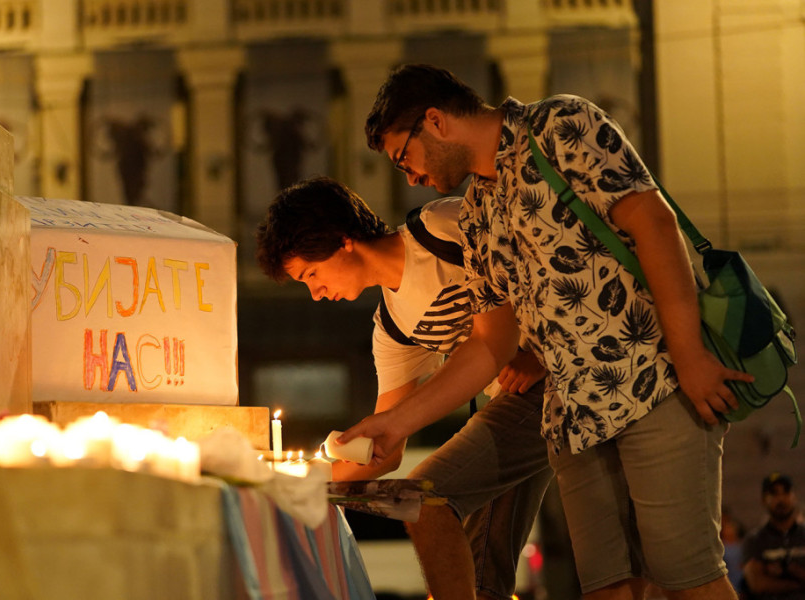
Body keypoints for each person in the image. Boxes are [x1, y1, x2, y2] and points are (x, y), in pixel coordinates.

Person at [339, 63, 755, 599]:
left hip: (652, 380)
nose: (410, 177)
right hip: (572, 416)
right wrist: (394, 424)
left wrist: (690, 354)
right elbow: (490, 344)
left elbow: (653, 223)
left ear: (436, 122)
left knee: (688, 579)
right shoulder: (476, 213)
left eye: (404, 157)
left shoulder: (560, 125)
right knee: (607, 588)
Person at [255, 176, 553, 600]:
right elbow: (386, 449)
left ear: (343, 241)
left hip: (566, 374)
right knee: (482, 573)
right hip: (513, 403)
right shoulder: (393, 329)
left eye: (311, 274)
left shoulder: (440, 230)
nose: (316, 294)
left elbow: (550, 259)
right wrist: (298, 478)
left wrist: (541, 350)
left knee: (430, 499)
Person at [741, 473, 805, 599]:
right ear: (764, 500)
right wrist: (798, 583)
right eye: (774, 493)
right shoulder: (754, 539)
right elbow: (757, 584)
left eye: (786, 492)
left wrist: (789, 569)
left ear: (794, 496)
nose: (781, 499)